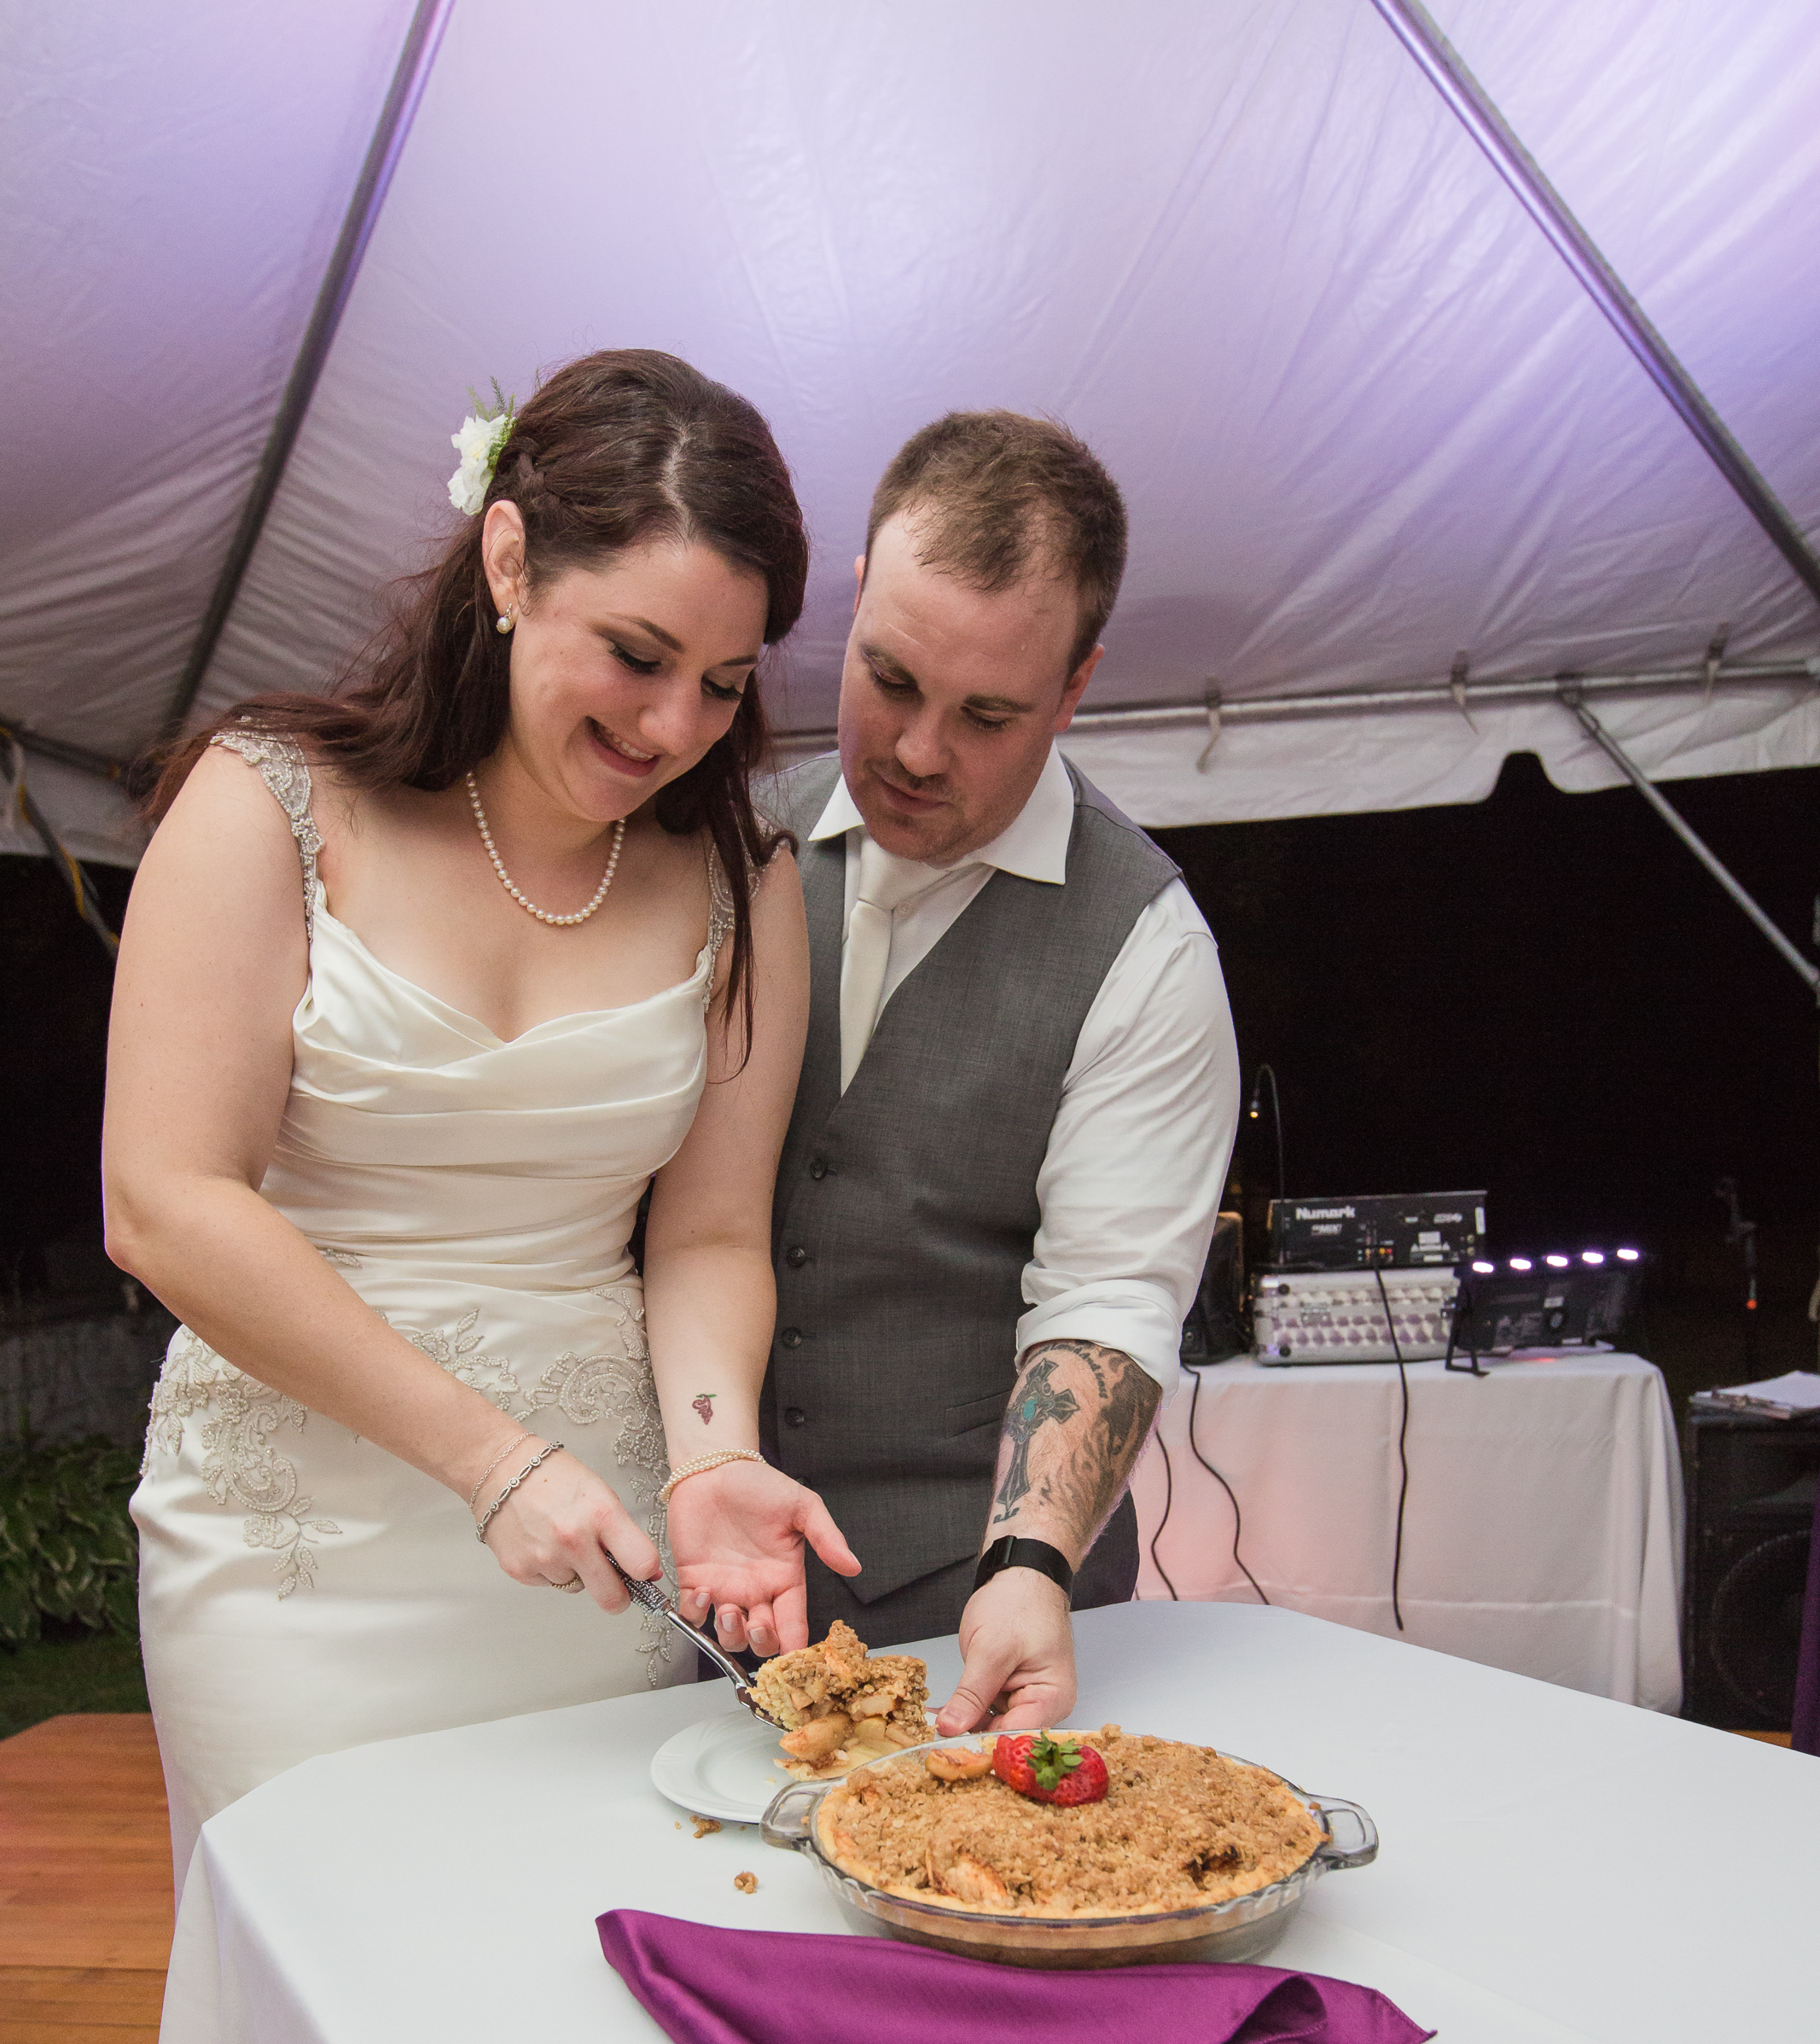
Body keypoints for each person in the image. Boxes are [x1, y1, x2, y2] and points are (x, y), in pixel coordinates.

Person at [106, 349, 856, 1891]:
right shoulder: (267, 803)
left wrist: (711, 1463)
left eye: (721, 682)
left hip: (595, 1566)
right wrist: (489, 1462)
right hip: (292, 1565)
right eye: (636, 654)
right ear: (510, 560)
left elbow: (708, 1234)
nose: (673, 725)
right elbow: (167, 1199)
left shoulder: (744, 879)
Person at [761, 411, 1239, 1734]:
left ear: (1076, 686)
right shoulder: (726, 841)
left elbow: (1106, 1292)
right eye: (889, 679)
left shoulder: (1145, 947)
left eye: (985, 714)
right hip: (695, 1592)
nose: (917, 750)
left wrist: (1025, 1563)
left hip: (978, 1622)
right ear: (856, 599)